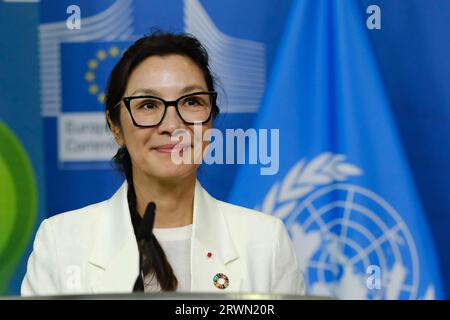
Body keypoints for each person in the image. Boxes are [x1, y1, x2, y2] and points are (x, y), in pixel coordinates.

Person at [21, 31, 305, 296]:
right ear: (115, 126)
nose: (173, 125)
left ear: (211, 121)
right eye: (148, 105)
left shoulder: (265, 241)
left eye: (191, 102)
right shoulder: (61, 243)